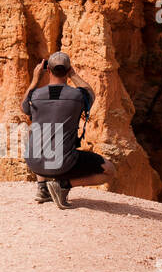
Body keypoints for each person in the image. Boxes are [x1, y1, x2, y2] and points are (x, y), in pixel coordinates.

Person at [21, 51, 116, 208]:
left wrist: (34, 80)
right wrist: (74, 75)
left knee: (36, 133)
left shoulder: (36, 95)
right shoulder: (77, 96)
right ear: (68, 70)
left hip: (34, 162)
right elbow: (90, 93)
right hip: (62, 165)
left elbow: (24, 107)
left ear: (48, 70)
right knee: (109, 170)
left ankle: (43, 188)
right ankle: (64, 185)